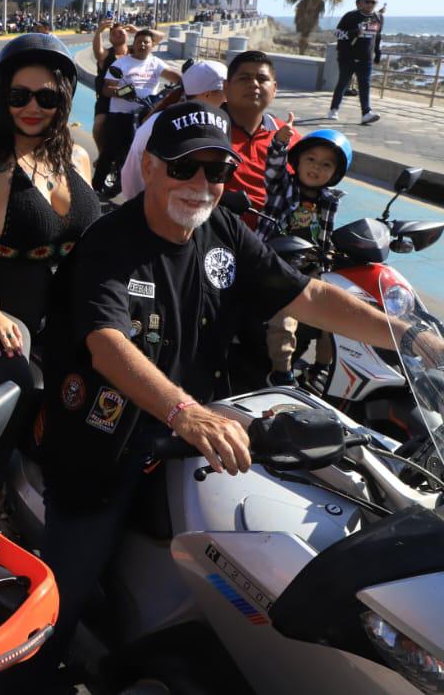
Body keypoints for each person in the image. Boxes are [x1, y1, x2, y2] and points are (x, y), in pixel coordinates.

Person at [25, 99, 441, 684]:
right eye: (184, 166)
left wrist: (411, 337)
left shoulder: (220, 227)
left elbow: (307, 297)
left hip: (194, 425)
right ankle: (35, 672)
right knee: (57, 606)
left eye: (216, 170)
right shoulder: (109, 243)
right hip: (109, 437)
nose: (200, 183)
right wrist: (185, 411)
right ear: (149, 165)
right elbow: (106, 343)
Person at [0, 34, 98, 522]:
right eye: (19, 96)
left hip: (58, 303)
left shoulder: (79, 158)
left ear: (63, 100)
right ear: (2, 98)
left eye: (47, 97)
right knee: (21, 387)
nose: (33, 107)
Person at [260, 125, 350, 386]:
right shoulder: (283, 187)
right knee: (284, 321)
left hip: (312, 269)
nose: (316, 167)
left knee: (336, 315)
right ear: (297, 161)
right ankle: (281, 372)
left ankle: (321, 367)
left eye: (326, 164)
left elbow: (326, 235)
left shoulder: (330, 200)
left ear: (335, 174)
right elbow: (274, 169)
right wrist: (279, 143)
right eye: (310, 159)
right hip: (278, 266)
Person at [119, 60, 227, 201]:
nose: (227, 98)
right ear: (207, 94)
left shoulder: (219, 123)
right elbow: (132, 175)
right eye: (225, 91)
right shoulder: (159, 123)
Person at [97, 28, 181, 195]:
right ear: (133, 45)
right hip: (121, 114)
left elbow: (175, 76)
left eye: (146, 42)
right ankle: (95, 186)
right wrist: (122, 93)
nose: (142, 44)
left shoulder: (156, 63)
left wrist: (189, 80)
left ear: (152, 46)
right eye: (139, 41)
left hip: (147, 114)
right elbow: (106, 89)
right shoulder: (120, 63)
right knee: (110, 150)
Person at [222, 51, 297, 218]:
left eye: (262, 79)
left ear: (275, 89)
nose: (254, 84)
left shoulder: (290, 137)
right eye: (244, 78)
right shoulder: (207, 131)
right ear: (225, 87)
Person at [329, 0, 384, 124]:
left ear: (376, 3)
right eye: (368, 1)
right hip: (347, 57)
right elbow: (337, 33)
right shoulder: (351, 16)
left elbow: (377, 36)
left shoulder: (379, 17)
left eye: (373, 2)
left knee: (364, 85)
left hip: (366, 59)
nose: (370, 4)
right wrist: (354, 32)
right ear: (363, 2)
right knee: (343, 83)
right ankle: (333, 109)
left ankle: (366, 113)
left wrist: (378, 53)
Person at [91, 21, 132, 163]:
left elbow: (156, 38)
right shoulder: (107, 55)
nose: (117, 35)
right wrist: (99, 31)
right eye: (114, 34)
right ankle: (102, 155)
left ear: (127, 34)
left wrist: (137, 30)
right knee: (99, 124)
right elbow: (98, 52)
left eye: (121, 32)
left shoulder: (135, 52)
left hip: (133, 98)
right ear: (110, 39)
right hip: (107, 98)